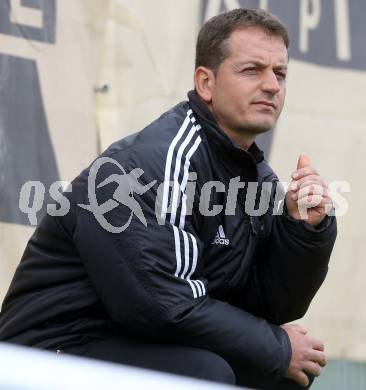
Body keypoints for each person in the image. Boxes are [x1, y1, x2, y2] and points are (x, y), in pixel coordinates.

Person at [0, 8, 336, 389]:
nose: (272, 85)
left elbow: (268, 306)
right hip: (45, 355)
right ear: (205, 83)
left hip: (129, 343)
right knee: (209, 373)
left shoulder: (254, 176)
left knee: (281, 373)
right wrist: (276, 347)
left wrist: (304, 230)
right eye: (252, 70)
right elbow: (160, 306)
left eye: (279, 73)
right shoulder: (151, 164)